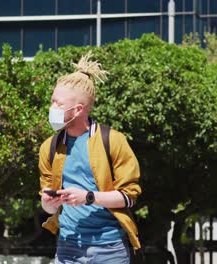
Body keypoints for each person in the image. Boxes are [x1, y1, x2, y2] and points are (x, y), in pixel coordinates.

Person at [38, 51, 142, 264]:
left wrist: (89, 197)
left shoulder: (113, 140)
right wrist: (49, 203)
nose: (52, 109)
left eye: (58, 104)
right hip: (68, 247)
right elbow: (48, 207)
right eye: (52, 102)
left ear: (78, 109)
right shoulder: (49, 147)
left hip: (109, 250)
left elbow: (129, 197)